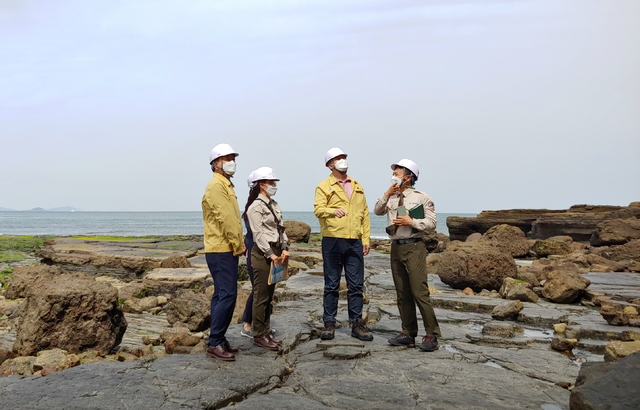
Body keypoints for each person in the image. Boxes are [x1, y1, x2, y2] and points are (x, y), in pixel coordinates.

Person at [373, 158, 442, 352]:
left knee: (419, 292)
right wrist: (387, 193)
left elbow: (432, 223)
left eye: (398, 171)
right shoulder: (392, 197)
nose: (394, 174)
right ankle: (408, 333)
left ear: (409, 176)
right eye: (394, 171)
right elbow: (377, 210)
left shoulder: (421, 197)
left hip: (414, 246)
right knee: (402, 293)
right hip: (396, 246)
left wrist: (412, 222)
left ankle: (432, 335)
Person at [313, 147, 373, 341]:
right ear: (330, 165)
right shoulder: (324, 186)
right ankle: (329, 324)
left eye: (344, 158)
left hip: (354, 241)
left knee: (356, 285)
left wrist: (365, 239)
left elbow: (364, 214)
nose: (342, 161)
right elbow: (318, 209)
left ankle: (357, 324)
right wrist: (333, 211)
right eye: (338, 159)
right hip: (332, 239)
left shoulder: (357, 186)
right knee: (331, 284)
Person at [202, 143, 244, 361]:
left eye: (232, 158)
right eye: (226, 159)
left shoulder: (226, 185)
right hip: (221, 248)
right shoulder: (217, 186)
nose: (231, 162)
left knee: (221, 293)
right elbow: (227, 220)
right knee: (227, 294)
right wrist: (239, 245)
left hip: (222, 246)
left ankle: (218, 337)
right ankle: (215, 341)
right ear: (216, 164)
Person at [245, 167, 288, 351]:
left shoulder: (274, 204)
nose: (274, 186)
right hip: (263, 254)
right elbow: (258, 234)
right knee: (261, 295)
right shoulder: (255, 207)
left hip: (277, 252)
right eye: (271, 183)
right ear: (261, 185)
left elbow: (281, 228)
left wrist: (284, 247)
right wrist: (271, 255)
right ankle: (258, 334)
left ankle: (265, 329)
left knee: (269, 294)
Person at [240, 171, 256, 338]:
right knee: (258, 289)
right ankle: (247, 323)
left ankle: (260, 323)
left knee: (265, 289)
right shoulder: (252, 206)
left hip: (264, 251)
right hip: (256, 252)